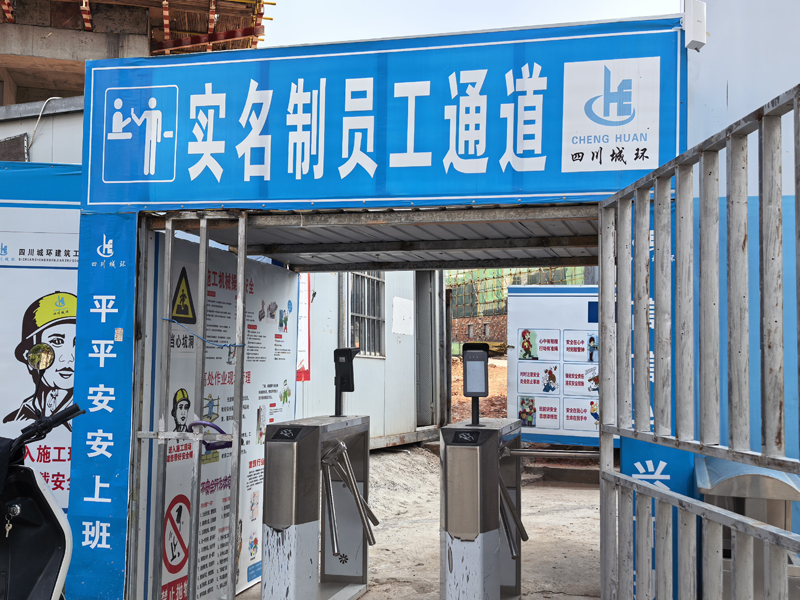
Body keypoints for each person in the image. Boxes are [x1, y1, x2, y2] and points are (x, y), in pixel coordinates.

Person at [4, 292, 77, 429]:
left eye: (77, 343)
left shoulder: (88, 420)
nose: (69, 357)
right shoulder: (13, 420)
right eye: (57, 341)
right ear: (28, 354)